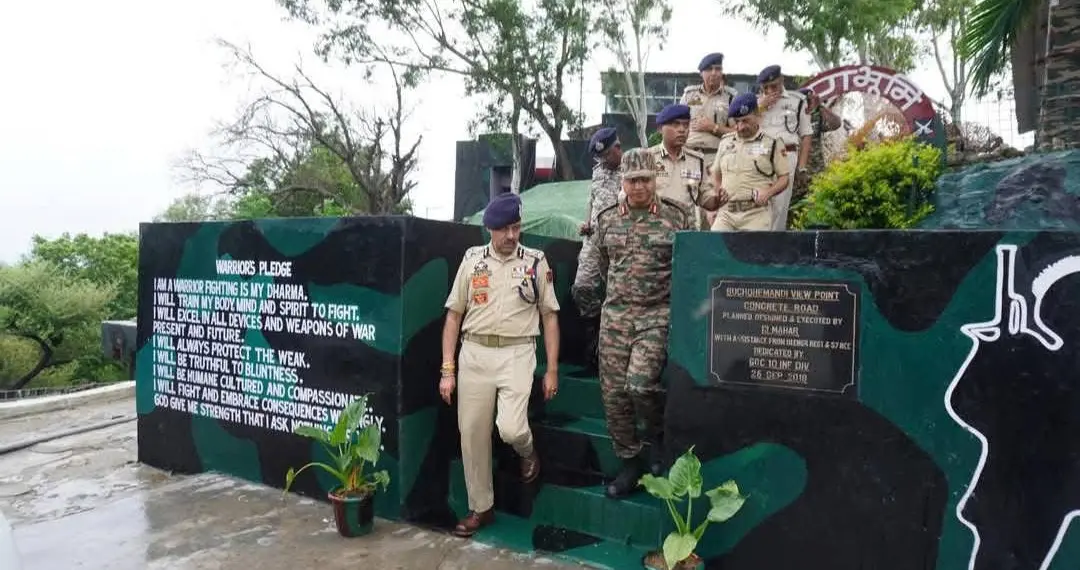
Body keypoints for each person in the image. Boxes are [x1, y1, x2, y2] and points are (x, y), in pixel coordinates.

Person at [439, 191, 561, 537]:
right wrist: (448, 370)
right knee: (472, 434)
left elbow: (550, 318)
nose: (511, 235)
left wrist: (551, 369)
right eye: (504, 229)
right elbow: (453, 316)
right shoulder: (472, 260)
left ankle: (527, 450)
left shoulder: (536, 262)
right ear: (489, 229)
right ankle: (482, 508)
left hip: (517, 352)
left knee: (510, 427)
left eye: (517, 227)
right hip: (474, 352)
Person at [593, 148, 692, 499]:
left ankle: (658, 438)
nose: (638, 187)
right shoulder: (607, 219)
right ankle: (629, 464)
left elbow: (689, 267)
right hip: (616, 317)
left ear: (655, 179)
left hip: (656, 313)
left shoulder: (677, 217)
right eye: (632, 180)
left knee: (639, 384)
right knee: (614, 395)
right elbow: (605, 267)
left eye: (645, 180)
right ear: (623, 181)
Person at [572, 127, 624, 366]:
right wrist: (587, 221)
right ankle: (594, 331)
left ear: (617, 147)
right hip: (594, 239)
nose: (603, 162)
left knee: (618, 292)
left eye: (606, 156)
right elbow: (592, 200)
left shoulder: (633, 170)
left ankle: (610, 351)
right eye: (599, 158)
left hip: (620, 241)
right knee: (582, 286)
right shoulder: (597, 173)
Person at [710, 93, 792, 232]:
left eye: (745, 121)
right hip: (726, 214)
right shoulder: (725, 142)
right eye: (737, 122)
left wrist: (768, 192)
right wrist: (716, 196)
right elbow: (716, 174)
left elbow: (784, 178)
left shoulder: (772, 143)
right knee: (716, 250)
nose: (740, 127)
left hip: (756, 214)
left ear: (757, 116)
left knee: (752, 253)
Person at [755, 64, 813, 230]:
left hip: (786, 154)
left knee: (780, 205)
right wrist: (760, 106)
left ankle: (774, 246)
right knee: (758, 202)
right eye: (766, 87)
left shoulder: (798, 101)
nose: (771, 90)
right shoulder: (754, 103)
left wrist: (802, 167)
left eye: (774, 85)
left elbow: (806, 134)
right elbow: (742, 125)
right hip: (760, 155)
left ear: (782, 80)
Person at [648, 103, 721, 229]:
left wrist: (717, 199)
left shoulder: (697, 160)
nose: (682, 130)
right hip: (655, 228)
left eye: (686, 125)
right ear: (660, 128)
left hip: (686, 229)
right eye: (675, 124)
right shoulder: (648, 157)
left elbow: (703, 196)